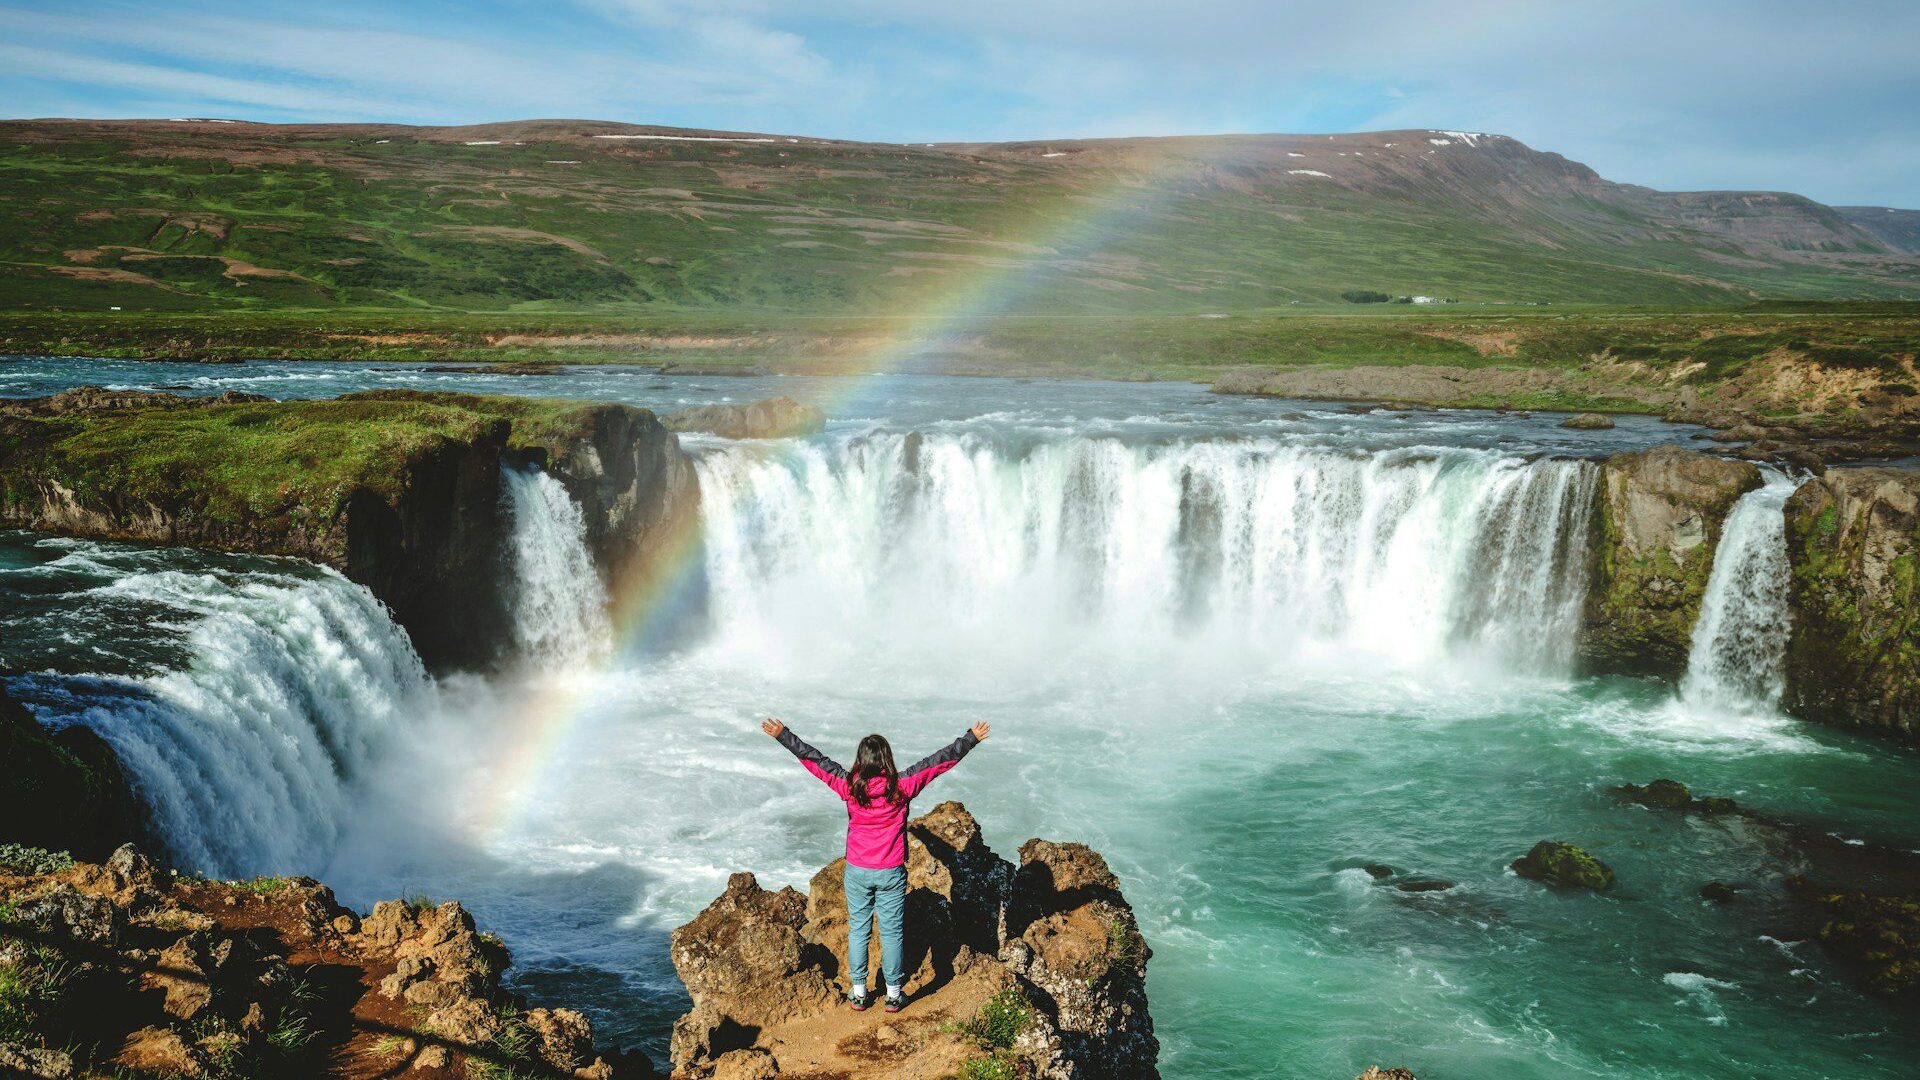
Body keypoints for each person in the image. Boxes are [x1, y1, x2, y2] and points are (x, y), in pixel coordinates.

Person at [762, 716, 990, 1014]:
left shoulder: (850, 787)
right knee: (893, 932)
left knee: (859, 929)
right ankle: (894, 995)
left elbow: (815, 760)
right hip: (891, 871)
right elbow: (939, 761)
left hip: (857, 870)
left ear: (861, 760)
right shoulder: (903, 786)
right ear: (887, 759)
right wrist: (970, 738)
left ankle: (859, 993)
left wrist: (783, 736)